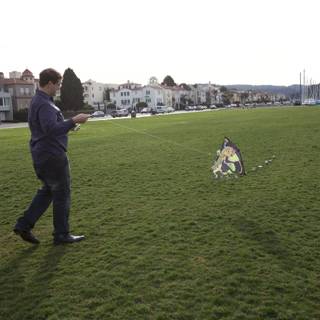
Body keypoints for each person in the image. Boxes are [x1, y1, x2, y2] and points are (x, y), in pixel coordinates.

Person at [13, 68, 91, 245]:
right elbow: (51, 129)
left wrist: (69, 126)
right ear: (49, 83)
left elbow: (50, 127)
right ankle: (61, 234)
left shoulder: (39, 101)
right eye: (58, 84)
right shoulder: (44, 104)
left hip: (42, 155)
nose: (58, 87)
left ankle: (24, 225)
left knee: (48, 191)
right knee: (62, 194)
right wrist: (73, 120)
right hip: (52, 156)